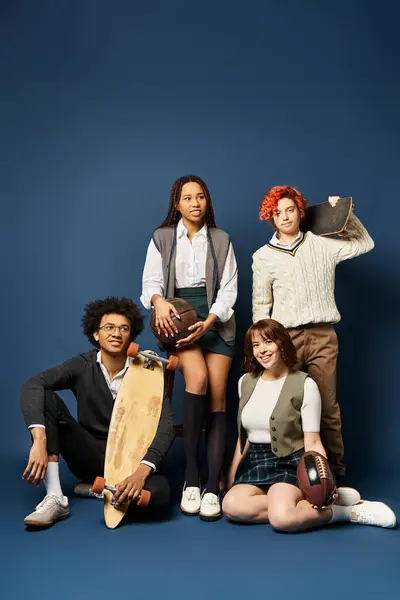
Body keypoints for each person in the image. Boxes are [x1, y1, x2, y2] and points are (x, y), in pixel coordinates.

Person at [222, 319, 396, 531]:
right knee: (231, 506)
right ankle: (295, 502)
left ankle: (346, 512)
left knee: (282, 519)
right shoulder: (245, 382)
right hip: (258, 462)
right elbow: (245, 437)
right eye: (256, 345)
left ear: (282, 343)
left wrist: (325, 480)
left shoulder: (304, 384)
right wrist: (232, 474)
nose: (262, 350)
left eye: (268, 342)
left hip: (291, 462)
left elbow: (313, 441)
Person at [252, 186, 375, 485]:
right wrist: (264, 346)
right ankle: (289, 478)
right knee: (286, 409)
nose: (284, 217)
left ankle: (336, 479)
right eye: (277, 213)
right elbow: (260, 305)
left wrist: (347, 213)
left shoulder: (322, 245)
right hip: (284, 340)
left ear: (300, 212)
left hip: (322, 337)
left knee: (327, 410)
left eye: (289, 210)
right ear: (271, 217)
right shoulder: (263, 256)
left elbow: (364, 243)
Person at [21, 297, 174, 528]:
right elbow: (33, 384)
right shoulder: (82, 365)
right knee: (47, 399)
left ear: (131, 336)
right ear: (96, 334)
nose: (116, 334)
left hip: (133, 461)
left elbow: (167, 425)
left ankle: (102, 491)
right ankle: (55, 497)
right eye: (109, 328)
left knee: (159, 500)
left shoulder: (148, 370)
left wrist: (140, 473)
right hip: (92, 455)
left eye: (124, 329)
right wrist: (39, 441)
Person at [141, 174, 238, 521]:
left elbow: (228, 291)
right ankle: (192, 478)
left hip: (215, 320)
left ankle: (213, 484)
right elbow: (151, 282)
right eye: (188, 198)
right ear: (176, 204)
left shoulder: (222, 239)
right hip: (178, 318)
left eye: (201, 197)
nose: (195, 203)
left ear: (207, 202)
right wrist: (159, 302)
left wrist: (209, 322)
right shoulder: (162, 237)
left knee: (217, 394)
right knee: (195, 379)